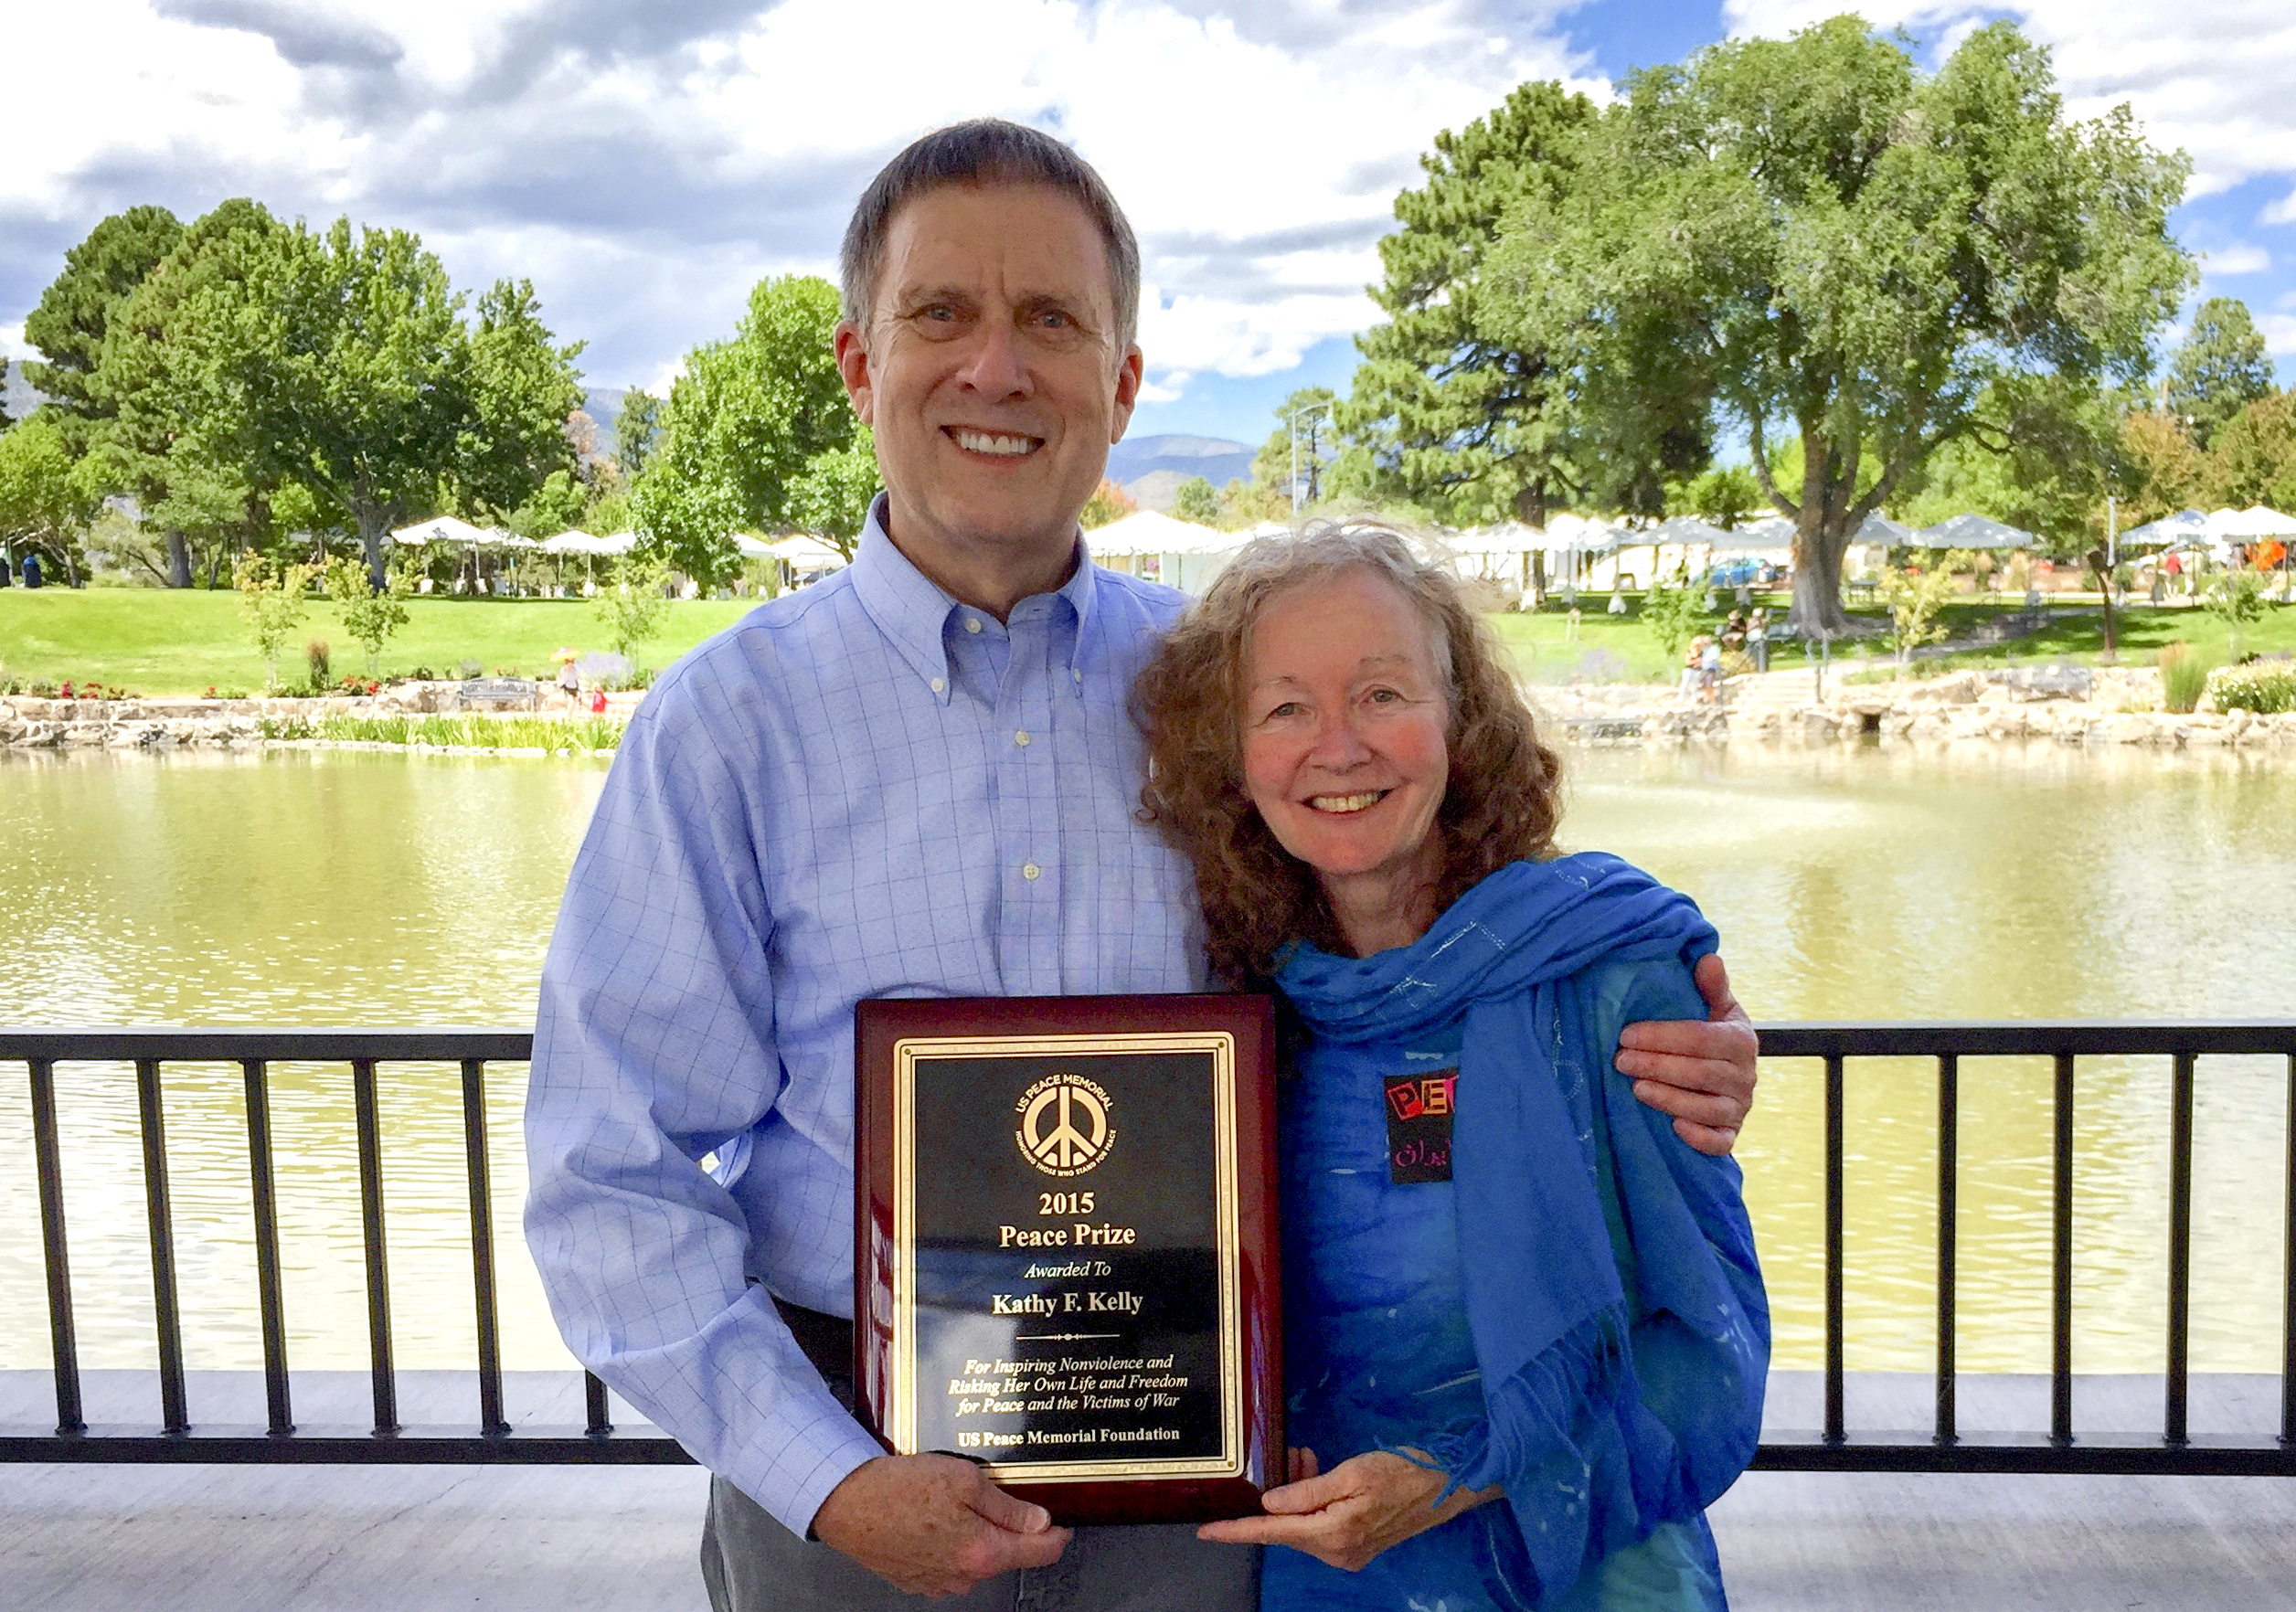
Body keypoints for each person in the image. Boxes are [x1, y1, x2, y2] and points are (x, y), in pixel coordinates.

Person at [524, 120, 1761, 1612]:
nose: (996, 368)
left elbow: (1417, 955)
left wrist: (1636, 1036)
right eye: (941, 313)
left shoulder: (1224, 688)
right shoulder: (725, 727)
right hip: (843, 1478)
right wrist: (827, 1478)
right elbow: (609, 1170)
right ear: (859, 363)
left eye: (1052, 319)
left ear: (1119, 386)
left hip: (1197, 1482)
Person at [1134, 525, 1767, 1610]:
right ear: (1231, 758)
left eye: (1382, 694)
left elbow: (1712, 1362)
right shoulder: (1239, 1029)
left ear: (1459, 719)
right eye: (1284, 709)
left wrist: (1460, 1479)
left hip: (1588, 1581)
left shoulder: (1609, 978)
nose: (1339, 747)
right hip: (1328, 1579)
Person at [1746, 609, 1769, 674]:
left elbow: (1765, 630)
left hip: (1761, 640)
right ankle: (1753, 669)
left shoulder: (1763, 621)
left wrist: (1762, 624)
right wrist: (1754, 625)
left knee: (1762, 655)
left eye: (1759, 616)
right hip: (1751, 640)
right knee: (1752, 656)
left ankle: (1762, 669)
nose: (1757, 618)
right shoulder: (1750, 621)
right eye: (1756, 616)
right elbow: (1746, 630)